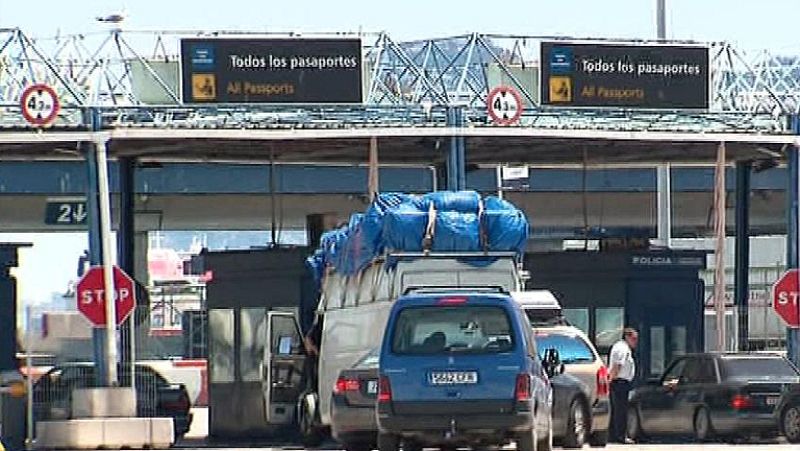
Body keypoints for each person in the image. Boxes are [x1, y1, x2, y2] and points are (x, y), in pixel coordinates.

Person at [608, 327, 638, 444]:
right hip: (619, 383)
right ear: (627, 337)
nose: (635, 342)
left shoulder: (622, 347)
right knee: (620, 411)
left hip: (620, 382)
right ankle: (620, 436)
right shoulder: (622, 348)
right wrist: (611, 379)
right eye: (634, 339)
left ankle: (615, 435)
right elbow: (617, 365)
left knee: (618, 410)